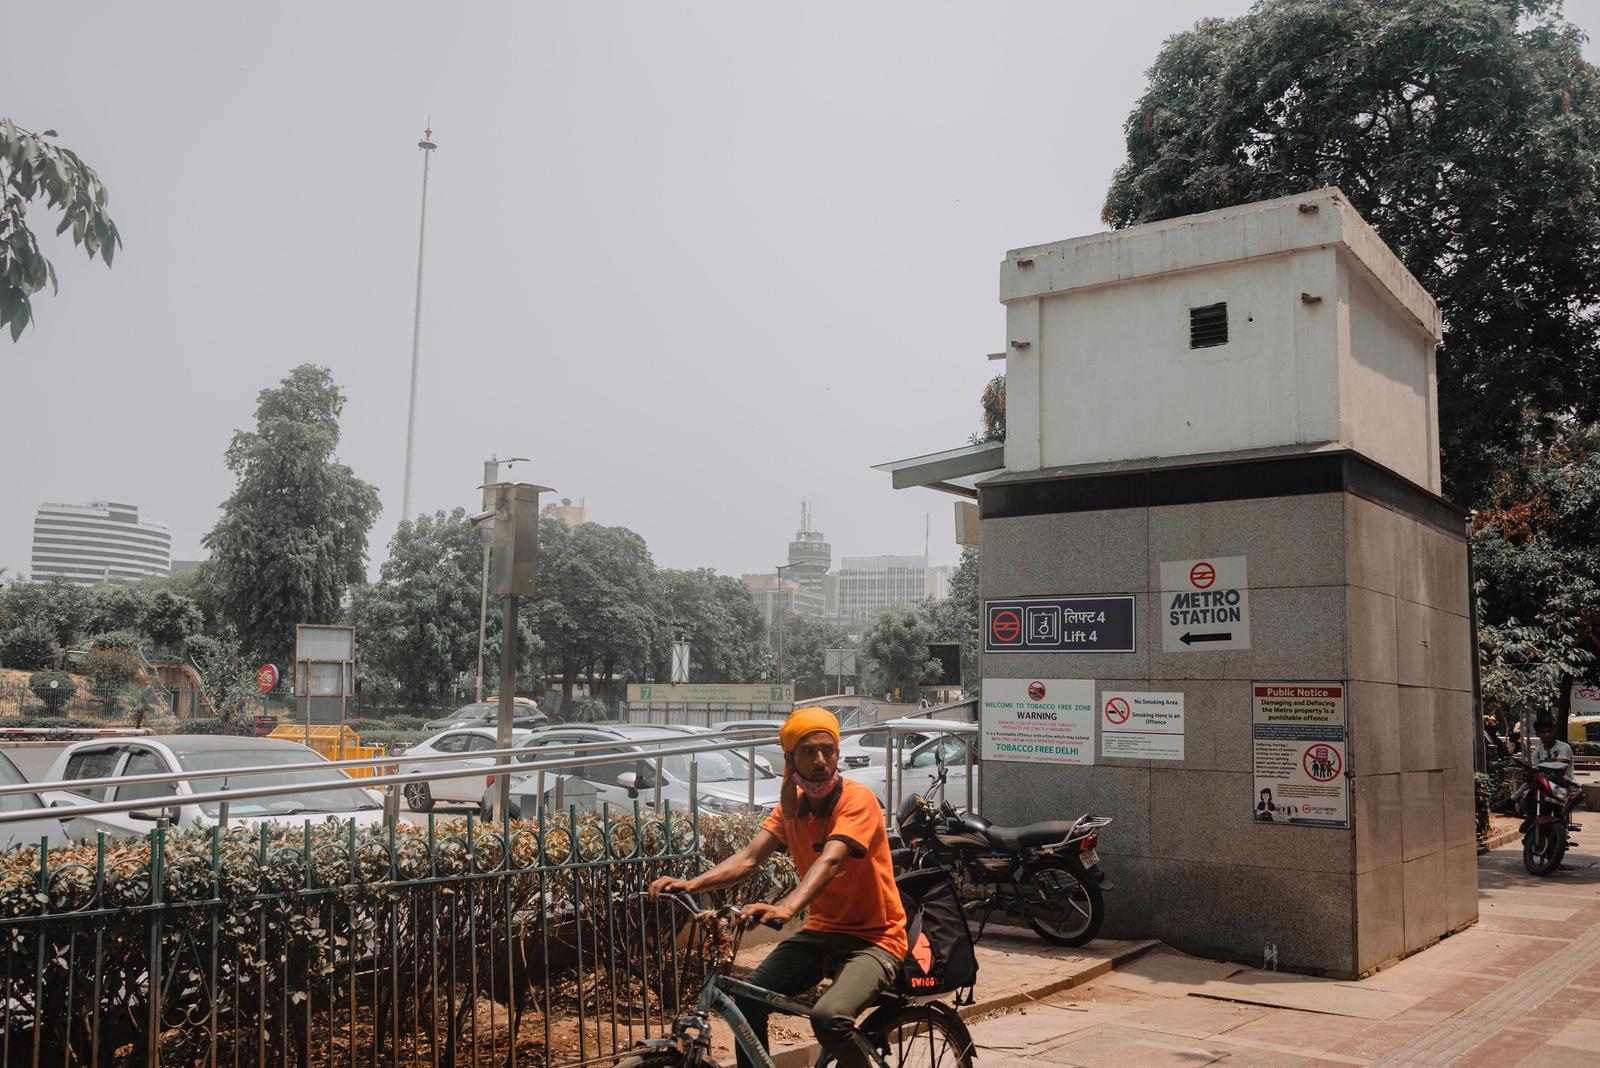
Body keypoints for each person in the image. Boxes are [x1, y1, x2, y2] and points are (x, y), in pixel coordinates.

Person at [649, 707, 906, 1068]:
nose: (820, 760)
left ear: (837, 753)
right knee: (747, 999)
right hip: (821, 933)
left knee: (828, 1018)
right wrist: (692, 883)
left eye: (827, 750)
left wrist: (786, 908)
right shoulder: (792, 811)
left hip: (876, 939)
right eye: (807, 751)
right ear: (790, 759)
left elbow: (830, 861)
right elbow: (748, 858)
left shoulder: (857, 800)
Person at [1532, 716, 1579, 825]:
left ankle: (1562, 823)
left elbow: (1561, 766)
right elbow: (1535, 769)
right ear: (1538, 734)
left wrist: (1541, 765)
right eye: (1543, 732)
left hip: (1564, 784)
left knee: (1570, 800)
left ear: (1554, 731)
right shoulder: (1537, 752)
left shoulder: (1563, 747)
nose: (1547, 734)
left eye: (1549, 731)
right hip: (1544, 785)